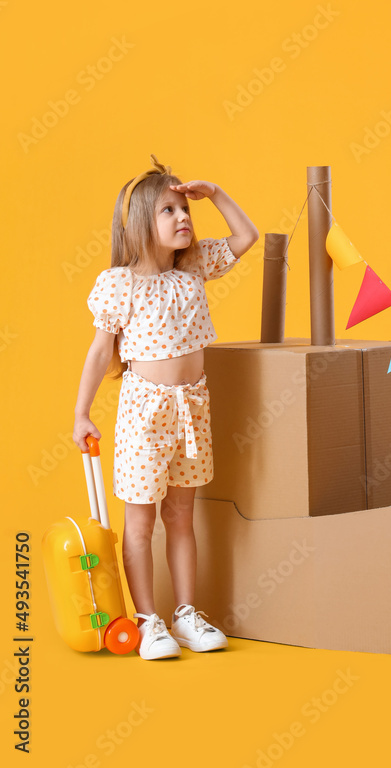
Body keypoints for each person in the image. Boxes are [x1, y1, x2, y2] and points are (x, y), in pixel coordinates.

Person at [72, 155, 259, 660]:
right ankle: (148, 618)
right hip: (144, 413)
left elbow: (247, 238)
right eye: (169, 210)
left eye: (185, 208)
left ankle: (185, 614)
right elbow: (99, 351)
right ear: (139, 226)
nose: (183, 218)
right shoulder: (120, 283)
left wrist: (215, 193)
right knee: (140, 521)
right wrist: (81, 412)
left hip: (192, 408)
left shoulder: (193, 267)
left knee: (181, 514)